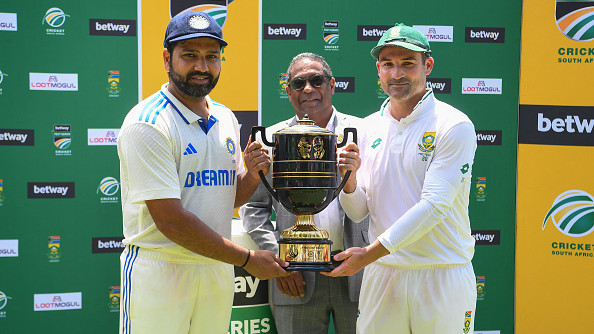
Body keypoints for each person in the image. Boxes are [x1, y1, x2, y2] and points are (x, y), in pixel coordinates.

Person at [116, 11, 288, 334]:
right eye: (190, 55)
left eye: (211, 56)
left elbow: (228, 196)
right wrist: (248, 260)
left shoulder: (225, 116)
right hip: (161, 271)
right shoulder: (148, 123)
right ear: (167, 59)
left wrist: (251, 175)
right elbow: (170, 220)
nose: (201, 66)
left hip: (215, 269)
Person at [325, 24, 478, 334]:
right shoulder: (368, 127)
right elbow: (358, 212)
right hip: (383, 274)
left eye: (407, 63)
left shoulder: (454, 125)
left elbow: (434, 207)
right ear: (378, 69)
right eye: (388, 64)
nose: (396, 74)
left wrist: (368, 254)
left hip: (440, 274)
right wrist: (350, 181)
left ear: (428, 66)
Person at [240, 53, 369, 334]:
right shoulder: (273, 139)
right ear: (288, 91)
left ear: (332, 85)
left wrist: (371, 255)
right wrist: (279, 257)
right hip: (294, 276)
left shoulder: (365, 132)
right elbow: (253, 208)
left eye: (316, 80)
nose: (308, 89)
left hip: (360, 271)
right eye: (298, 83)